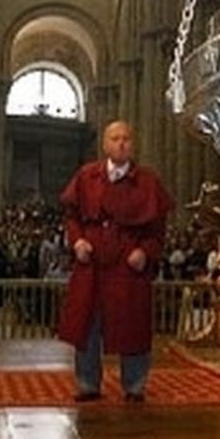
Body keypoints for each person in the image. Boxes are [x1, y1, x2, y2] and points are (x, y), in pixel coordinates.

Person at [57, 121, 172, 403]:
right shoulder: (87, 177)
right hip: (92, 260)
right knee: (88, 322)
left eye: (126, 138)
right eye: (115, 138)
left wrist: (144, 251)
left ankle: (134, 385)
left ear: (133, 145)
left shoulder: (147, 181)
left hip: (128, 263)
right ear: (105, 145)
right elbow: (72, 216)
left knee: (132, 322)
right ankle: (87, 383)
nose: (121, 143)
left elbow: (157, 230)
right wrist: (77, 241)